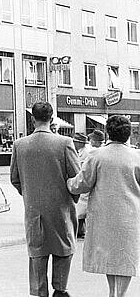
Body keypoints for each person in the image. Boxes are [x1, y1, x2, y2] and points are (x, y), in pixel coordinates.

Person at [10, 102, 80, 297]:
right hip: (61, 212)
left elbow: (15, 179)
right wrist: (72, 197)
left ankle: (40, 292)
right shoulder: (64, 143)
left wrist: (30, 194)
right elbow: (76, 179)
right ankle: (60, 289)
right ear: (52, 119)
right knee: (64, 250)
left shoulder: (19, 144)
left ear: (32, 119)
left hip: (35, 213)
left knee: (37, 256)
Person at [68, 116, 140, 297]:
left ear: (108, 132)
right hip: (130, 217)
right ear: (128, 134)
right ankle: (121, 294)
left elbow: (81, 184)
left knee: (110, 255)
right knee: (125, 257)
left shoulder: (97, 156)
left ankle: (112, 292)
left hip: (105, 217)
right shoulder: (136, 157)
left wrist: (68, 182)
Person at [77, 130, 105, 239]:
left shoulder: (93, 152)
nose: (91, 141)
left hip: (91, 182)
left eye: (93, 139)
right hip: (96, 183)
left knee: (83, 209)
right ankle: (82, 229)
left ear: (97, 141)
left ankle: (82, 230)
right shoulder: (94, 150)